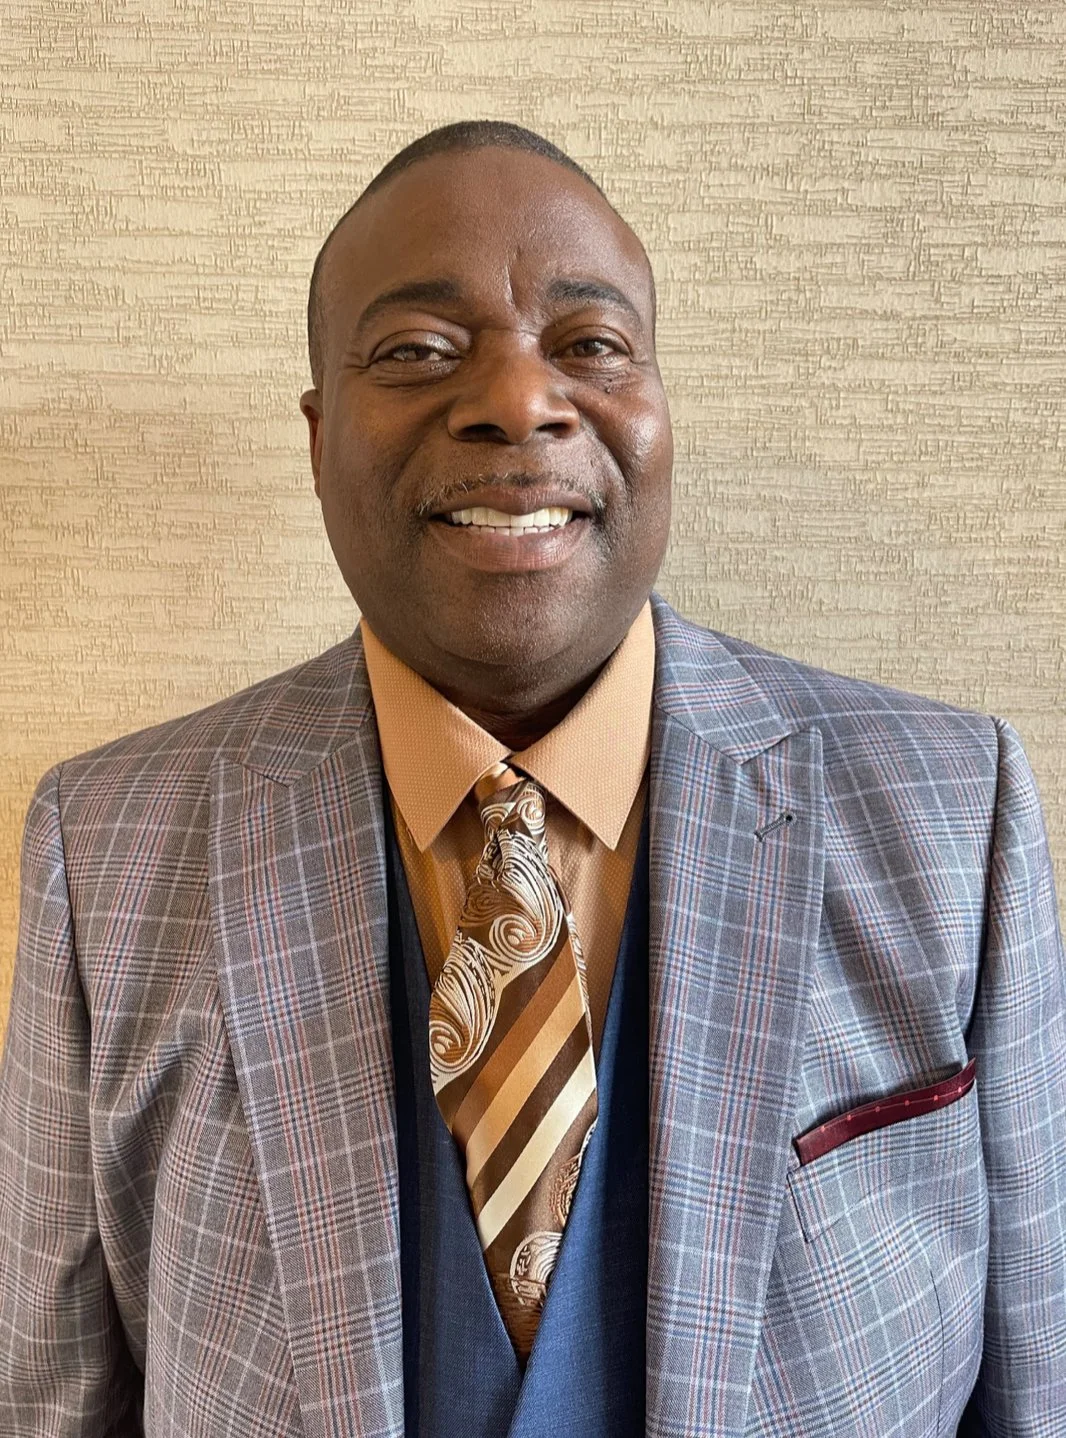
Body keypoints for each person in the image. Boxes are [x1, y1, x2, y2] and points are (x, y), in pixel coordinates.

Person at [1, 118, 1063, 1438]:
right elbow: (51, 1395)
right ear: (320, 435)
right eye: (418, 350)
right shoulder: (104, 847)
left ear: (662, 407)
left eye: (589, 344)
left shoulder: (952, 811)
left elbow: (1039, 1381)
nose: (515, 399)